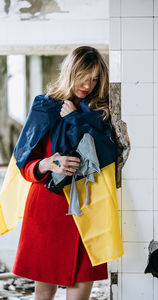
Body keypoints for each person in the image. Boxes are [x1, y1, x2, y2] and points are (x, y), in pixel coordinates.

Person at [7, 46, 123, 300]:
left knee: (80, 289)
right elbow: (24, 164)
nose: (88, 84)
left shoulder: (100, 112)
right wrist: (47, 163)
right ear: (71, 71)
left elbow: (107, 155)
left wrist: (76, 120)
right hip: (48, 207)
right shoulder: (44, 106)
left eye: (94, 78)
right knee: (44, 293)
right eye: (84, 75)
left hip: (87, 209)